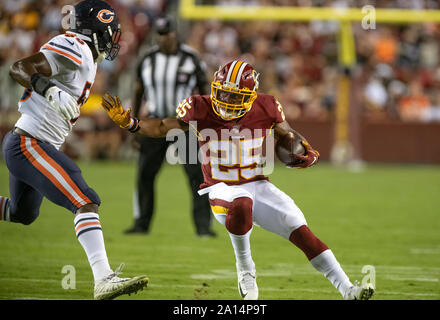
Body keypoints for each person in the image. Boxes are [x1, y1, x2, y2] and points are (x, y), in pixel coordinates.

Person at [101, 60, 375, 300]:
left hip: (257, 183)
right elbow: (162, 126)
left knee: (301, 230)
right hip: (219, 187)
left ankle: (347, 289)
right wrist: (132, 123)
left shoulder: (267, 106)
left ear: (251, 96)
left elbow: (288, 136)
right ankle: (246, 270)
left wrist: (304, 152)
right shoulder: (199, 107)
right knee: (241, 203)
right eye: (223, 94)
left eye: (235, 96)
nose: (227, 101)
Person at [0, 0, 148, 300]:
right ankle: (103, 278)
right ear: (91, 29)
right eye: (108, 31)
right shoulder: (74, 46)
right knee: (84, 199)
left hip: (30, 143)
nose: (112, 39)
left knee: (22, 213)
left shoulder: (87, 56)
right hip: (29, 143)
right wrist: (48, 88)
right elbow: (19, 68)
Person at [125, 15, 215, 237]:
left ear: (175, 34)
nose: (163, 39)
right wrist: (134, 125)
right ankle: (141, 223)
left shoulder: (191, 59)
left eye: (167, 34)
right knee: (145, 174)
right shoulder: (147, 59)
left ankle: (203, 227)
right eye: (160, 34)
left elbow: (205, 91)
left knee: (198, 175)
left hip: (184, 124)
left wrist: (206, 122)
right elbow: (138, 92)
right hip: (155, 123)